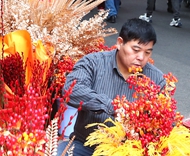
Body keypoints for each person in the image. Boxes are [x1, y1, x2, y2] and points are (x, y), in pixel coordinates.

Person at [63, 19, 165, 156]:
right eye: (136, 50)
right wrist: (112, 107)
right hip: (86, 145)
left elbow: (163, 120)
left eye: (147, 52)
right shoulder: (93, 63)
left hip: (129, 151)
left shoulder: (156, 79)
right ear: (120, 43)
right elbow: (71, 89)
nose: (141, 57)